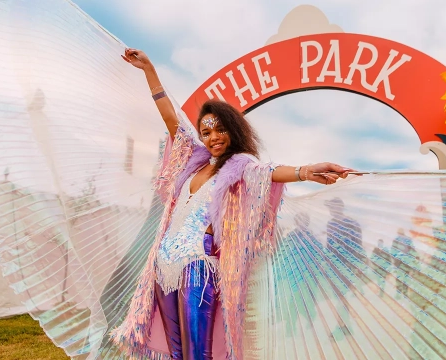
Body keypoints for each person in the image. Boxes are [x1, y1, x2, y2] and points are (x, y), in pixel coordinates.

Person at [110, 48, 353, 360]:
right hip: (163, 266)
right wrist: (149, 71)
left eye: (221, 129)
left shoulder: (239, 168)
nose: (214, 137)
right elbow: (171, 118)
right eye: (207, 132)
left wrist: (306, 171)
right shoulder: (193, 163)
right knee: (175, 354)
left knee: (199, 353)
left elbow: (269, 173)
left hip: (197, 268)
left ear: (233, 130)